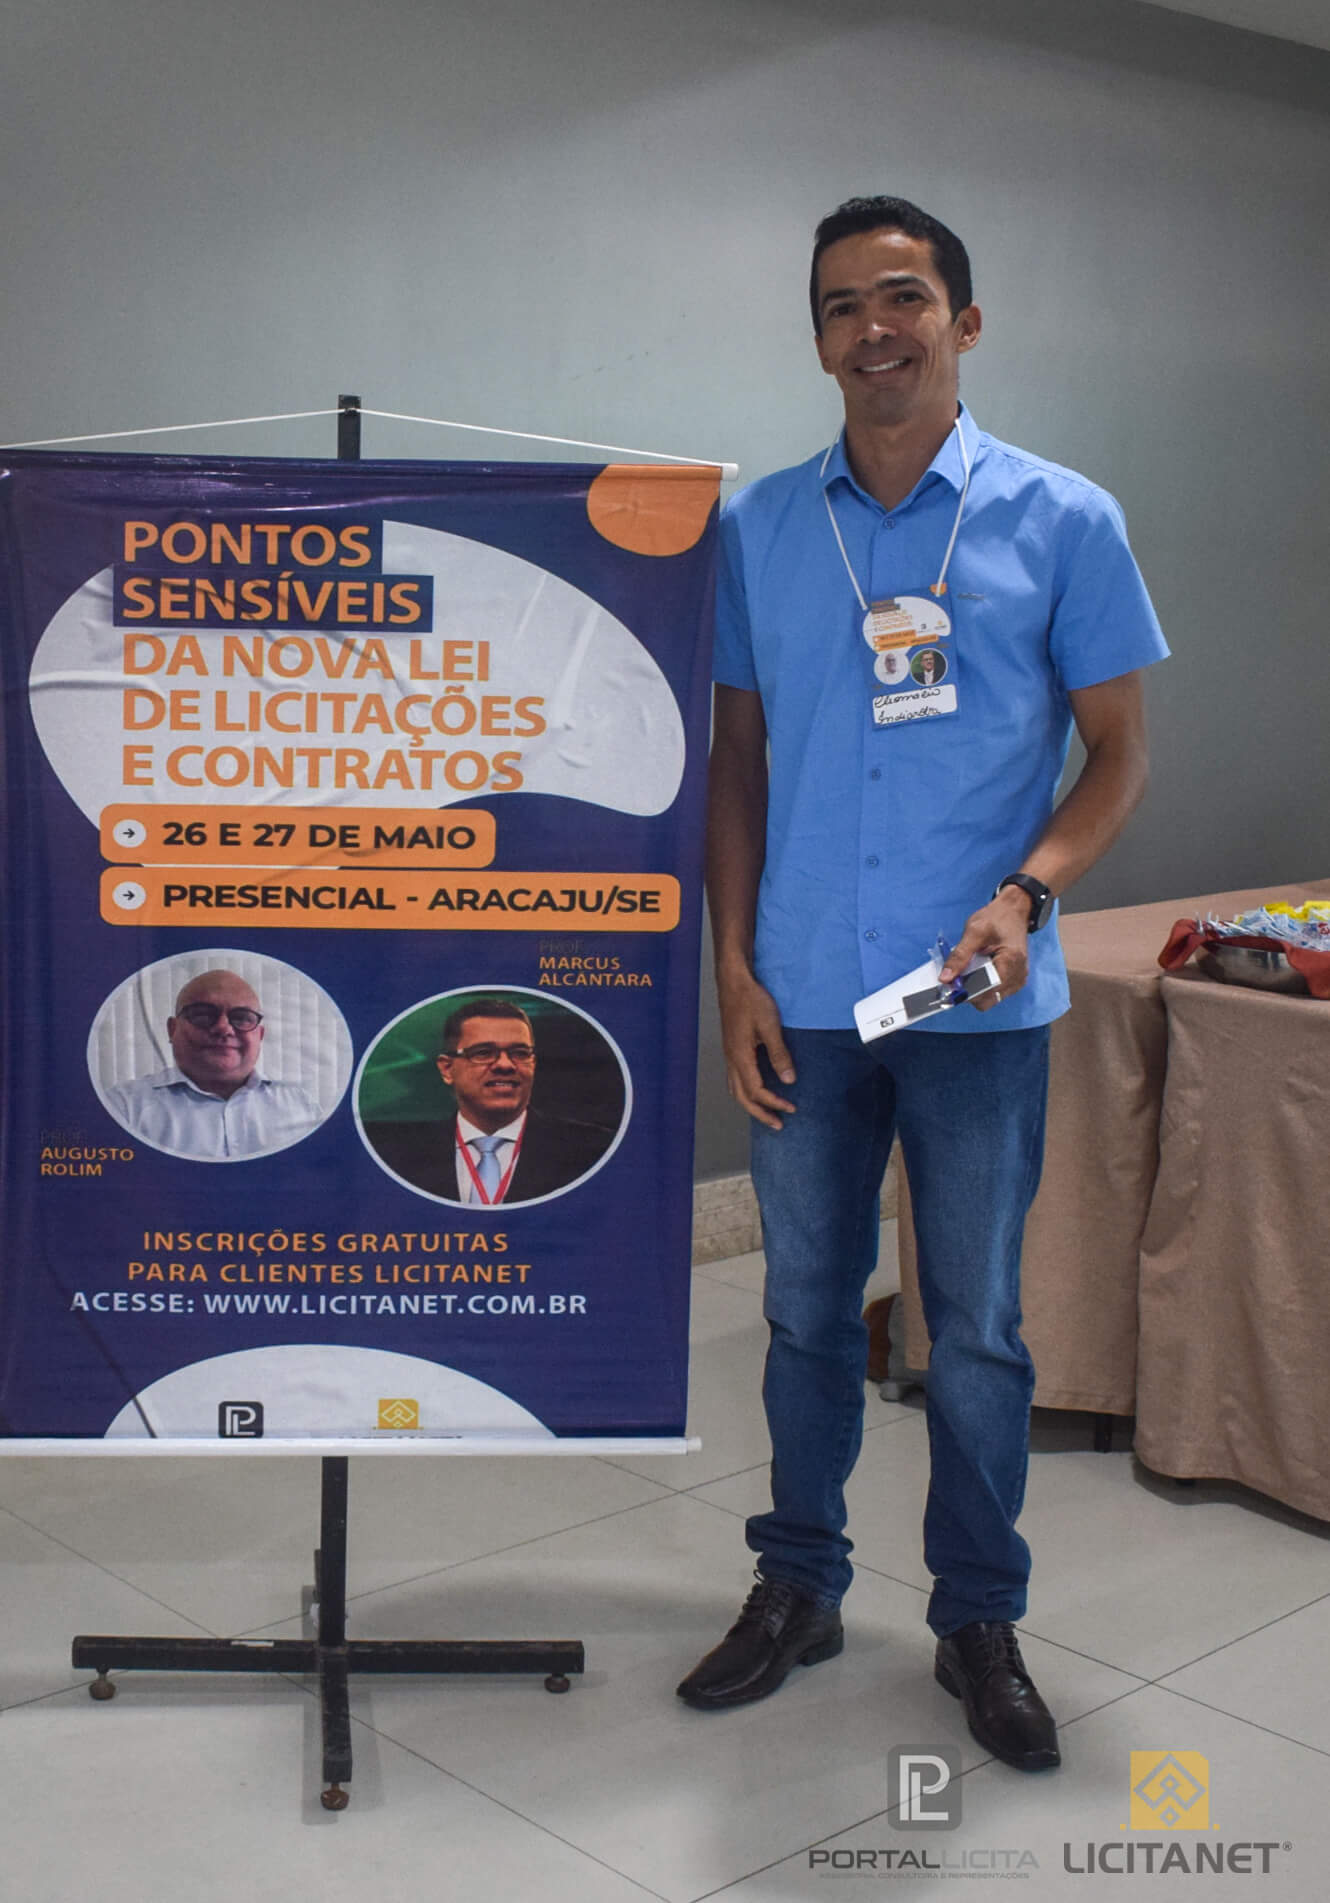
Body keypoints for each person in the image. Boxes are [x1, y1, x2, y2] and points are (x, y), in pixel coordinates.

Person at [680, 196, 1166, 1773]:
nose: (871, 328)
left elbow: (1116, 753)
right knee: (804, 1311)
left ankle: (976, 1614)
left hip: (973, 997)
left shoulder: (1061, 518)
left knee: (974, 1330)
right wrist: (731, 968)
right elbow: (734, 763)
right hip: (803, 995)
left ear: (962, 320)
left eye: (901, 296)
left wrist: (1029, 890)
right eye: (839, 305)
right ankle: (797, 1581)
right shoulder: (758, 527)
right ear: (816, 340)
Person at [364, 997, 615, 1204]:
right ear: (447, 1069)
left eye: (520, 1053)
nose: (505, 1065)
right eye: (483, 1053)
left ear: (534, 1064)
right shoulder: (392, 1156)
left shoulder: (596, 1151)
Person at [104, 968, 326, 1159]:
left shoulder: (300, 1106)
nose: (223, 1028)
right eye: (202, 1015)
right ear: (172, 1029)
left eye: (242, 1017)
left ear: (260, 1035)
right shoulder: (123, 1107)